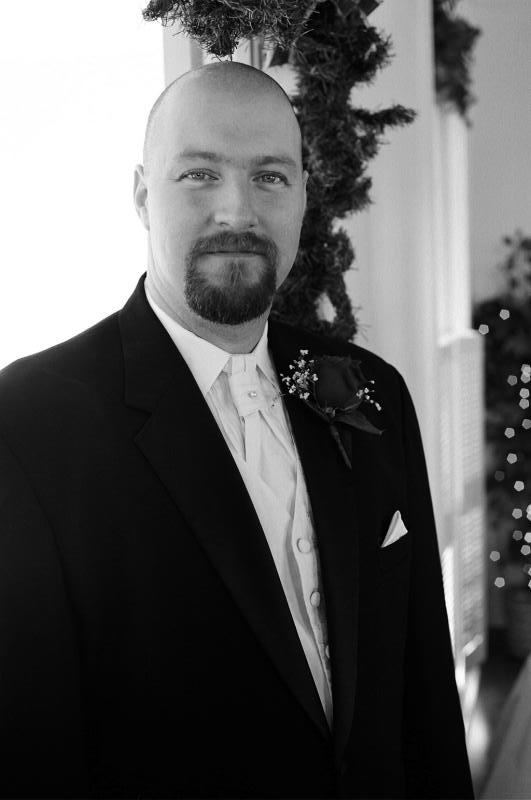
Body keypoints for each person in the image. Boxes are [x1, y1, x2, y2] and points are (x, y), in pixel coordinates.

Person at [0, 61, 474, 799]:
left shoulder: (372, 391)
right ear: (142, 195)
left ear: (303, 195)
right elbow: (32, 745)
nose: (237, 211)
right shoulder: (28, 423)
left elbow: (425, 693)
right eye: (200, 174)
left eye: (269, 177)